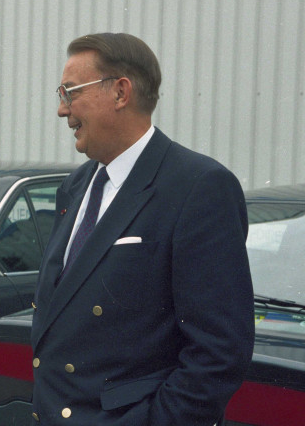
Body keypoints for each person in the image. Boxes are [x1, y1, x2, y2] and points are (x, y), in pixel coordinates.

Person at [31, 33, 254, 425]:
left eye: (70, 93)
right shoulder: (76, 187)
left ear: (120, 92)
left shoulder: (197, 187)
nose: (62, 111)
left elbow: (219, 352)